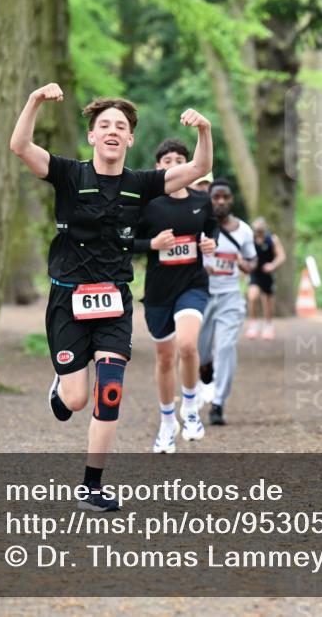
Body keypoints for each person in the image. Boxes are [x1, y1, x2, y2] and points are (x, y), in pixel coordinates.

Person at [10, 82, 211, 510]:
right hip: (68, 298)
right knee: (76, 399)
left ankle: (91, 485)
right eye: (105, 125)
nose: (113, 131)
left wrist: (204, 130)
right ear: (93, 136)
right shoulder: (69, 174)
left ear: (131, 138)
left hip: (114, 300)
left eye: (121, 125)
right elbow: (20, 145)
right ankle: (61, 387)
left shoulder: (141, 183)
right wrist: (34, 102)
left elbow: (196, 169)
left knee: (110, 391)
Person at [135, 138, 218, 453]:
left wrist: (210, 243)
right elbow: (126, 242)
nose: (173, 165)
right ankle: (167, 422)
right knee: (165, 357)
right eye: (166, 160)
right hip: (158, 291)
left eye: (179, 159)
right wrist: (152, 245)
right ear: (158, 167)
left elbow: (211, 229)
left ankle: (191, 406)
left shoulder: (200, 200)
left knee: (186, 344)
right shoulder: (147, 204)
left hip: (192, 285)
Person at [197, 179, 257, 426]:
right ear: (209, 200)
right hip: (201, 295)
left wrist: (245, 265)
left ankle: (218, 403)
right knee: (197, 351)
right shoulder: (198, 226)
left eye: (226, 197)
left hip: (230, 296)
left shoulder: (244, 231)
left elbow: (252, 261)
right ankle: (205, 366)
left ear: (231, 200)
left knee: (225, 347)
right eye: (216, 197)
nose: (221, 201)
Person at [244, 217, 286, 340]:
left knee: (267, 300)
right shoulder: (250, 240)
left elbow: (281, 255)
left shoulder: (272, 239)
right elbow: (244, 255)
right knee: (252, 296)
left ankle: (268, 325)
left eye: (260, 231)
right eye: (257, 231)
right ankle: (253, 323)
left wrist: (272, 265)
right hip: (254, 273)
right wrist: (245, 269)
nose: (259, 233)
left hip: (267, 273)